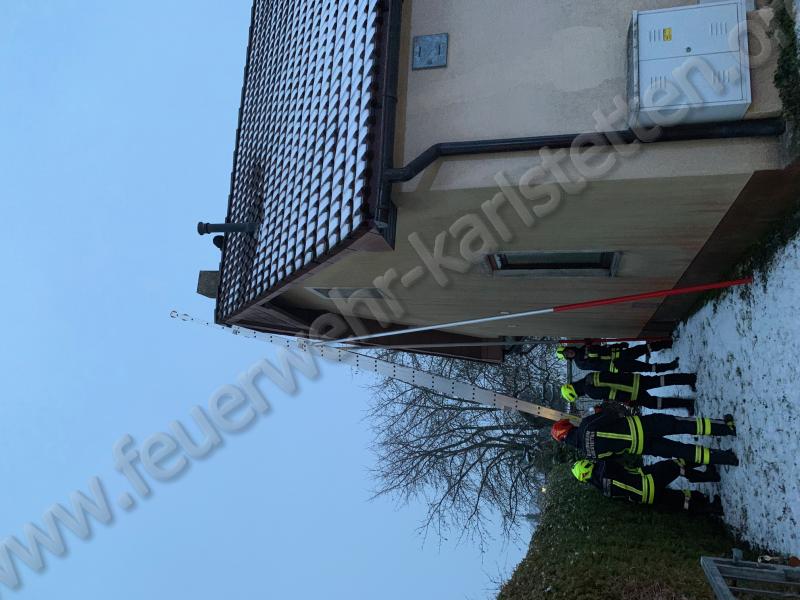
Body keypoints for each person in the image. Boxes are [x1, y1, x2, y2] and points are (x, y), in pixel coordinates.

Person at [550, 410, 739, 465]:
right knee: (680, 424)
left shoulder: (589, 454)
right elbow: (612, 414)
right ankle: (725, 428)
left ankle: (726, 458)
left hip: (642, 447)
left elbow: (616, 457)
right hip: (643, 426)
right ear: (568, 427)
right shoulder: (586, 425)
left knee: (681, 451)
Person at [570, 458, 723, 515]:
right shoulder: (604, 468)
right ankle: (709, 475)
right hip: (648, 482)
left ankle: (712, 508)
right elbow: (621, 467)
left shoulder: (602, 489)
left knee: (681, 501)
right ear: (587, 466)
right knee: (676, 465)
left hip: (646, 497)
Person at [561, 371, 696, 413]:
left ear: (574, 394)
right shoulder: (589, 377)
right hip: (631, 380)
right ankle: (689, 378)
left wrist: (627, 401)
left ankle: (687, 403)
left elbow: (613, 394)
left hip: (631, 392)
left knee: (656, 403)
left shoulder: (590, 391)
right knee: (659, 381)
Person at [556, 340, 677, 374]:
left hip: (620, 354)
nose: (569, 353)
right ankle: (670, 366)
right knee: (646, 367)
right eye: (567, 355)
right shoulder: (580, 363)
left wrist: (618, 345)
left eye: (567, 351)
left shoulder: (583, 348)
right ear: (568, 358)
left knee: (644, 348)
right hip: (618, 365)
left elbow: (605, 349)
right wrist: (590, 349)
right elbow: (595, 361)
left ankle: (667, 343)